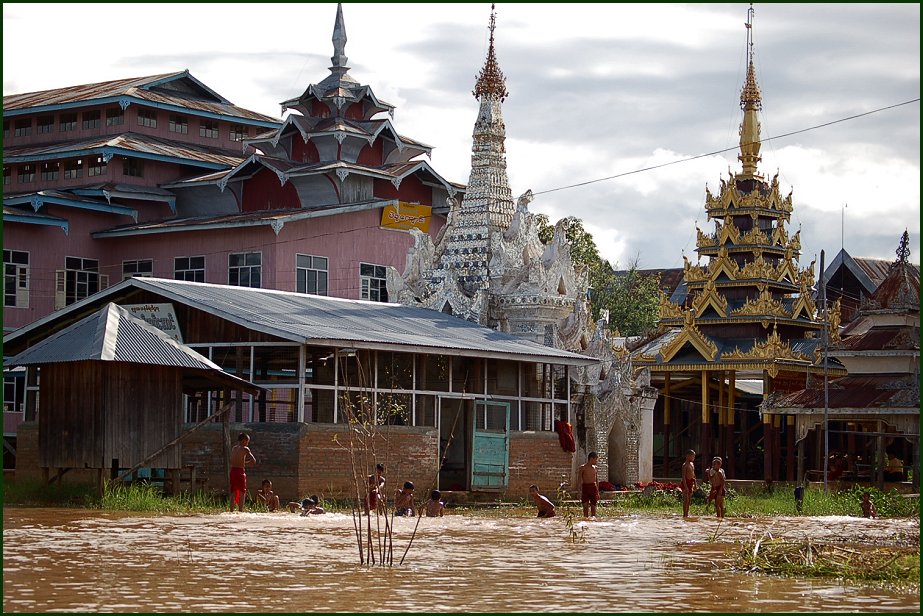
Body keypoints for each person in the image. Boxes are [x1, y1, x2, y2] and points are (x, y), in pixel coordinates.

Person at [229, 433, 256, 512]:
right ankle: (241, 510)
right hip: (240, 471)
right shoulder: (245, 449)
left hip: (233, 470)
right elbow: (253, 461)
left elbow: (232, 460)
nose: (248, 443)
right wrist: (245, 463)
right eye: (247, 441)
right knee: (242, 491)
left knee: (233, 491)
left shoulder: (234, 448)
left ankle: (231, 510)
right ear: (244, 441)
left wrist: (242, 462)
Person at [578, 451, 600, 518]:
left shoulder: (595, 468)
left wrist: (598, 492)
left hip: (593, 488)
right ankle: (585, 521)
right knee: (585, 507)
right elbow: (579, 479)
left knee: (593, 506)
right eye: (596, 459)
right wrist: (579, 491)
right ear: (591, 459)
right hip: (585, 487)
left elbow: (596, 480)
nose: (596, 461)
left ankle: (593, 522)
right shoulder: (583, 467)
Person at [680, 449, 696, 518]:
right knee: (686, 499)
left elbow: (693, 474)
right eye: (692, 456)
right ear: (688, 456)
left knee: (689, 500)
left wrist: (695, 484)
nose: (694, 458)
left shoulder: (692, 464)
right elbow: (683, 476)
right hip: (686, 482)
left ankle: (687, 513)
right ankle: (684, 514)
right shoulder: (685, 465)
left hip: (691, 482)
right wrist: (686, 486)